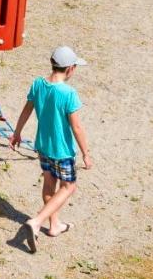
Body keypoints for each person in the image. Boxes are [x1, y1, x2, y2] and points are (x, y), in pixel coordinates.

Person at [9, 46, 93, 254]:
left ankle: (54, 225)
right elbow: (76, 127)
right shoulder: (68, 93)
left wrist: (17, 132)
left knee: (49, 182)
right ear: (71, 68)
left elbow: (26, 110)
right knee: (69, 187)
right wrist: (86, 153)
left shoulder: (38, 84)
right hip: (62, 150)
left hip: (42, 146)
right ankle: (37, 221)